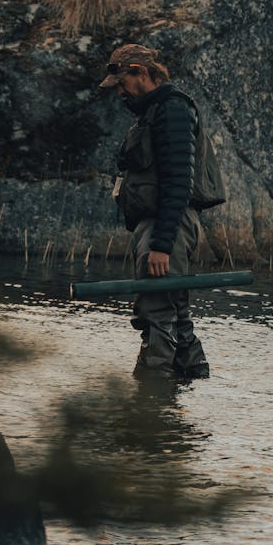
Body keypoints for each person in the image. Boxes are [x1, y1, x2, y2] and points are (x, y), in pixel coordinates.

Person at [99, 43, 226, 381]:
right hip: (157, 226)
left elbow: (178, 183)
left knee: (156, 316)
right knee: (176, 315)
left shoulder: (172, 110)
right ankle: (189, 387)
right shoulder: (152, 111)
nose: (120, 93)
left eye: (122, 84)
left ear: (140, 73)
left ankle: (151, 404)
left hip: (167, 226)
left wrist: (161, 244)